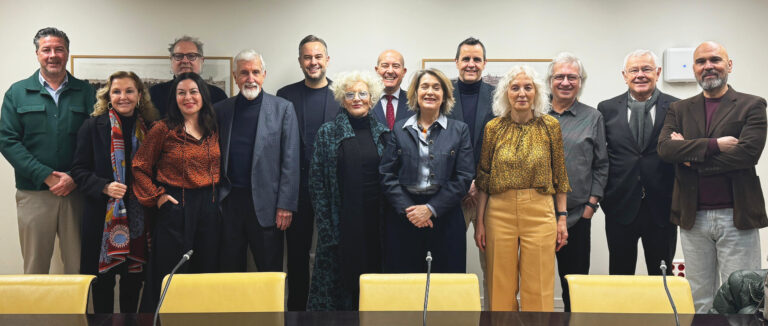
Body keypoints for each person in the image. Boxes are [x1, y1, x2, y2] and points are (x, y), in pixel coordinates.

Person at [658, 41, 768, 313]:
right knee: (699, 298)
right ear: (694, 69)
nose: (708, 66)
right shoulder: (679, 109)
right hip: (692, 216)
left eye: (715, 60)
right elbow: (665, 149)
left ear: (728, 65)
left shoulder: (752, 105)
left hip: (737, 214)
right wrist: (714, 145)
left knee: (743, 295)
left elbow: (746, 155)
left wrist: (689, 157)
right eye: (701, 61)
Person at [474, 65, 570, 312]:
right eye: (514, 88)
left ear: (537, 92)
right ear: (505, 93)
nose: (521, 93)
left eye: (528, 87)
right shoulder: (493, 128)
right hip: (498, 211)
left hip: (540, 211)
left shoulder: (550, 126)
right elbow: (484, 177)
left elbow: (560, 174)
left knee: (538, 284)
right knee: (499, 285)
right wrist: (481, 222)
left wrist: (562, 218)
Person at [0, 27, 95, 274]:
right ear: (37, 54)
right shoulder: (17, 92)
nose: (53, 55)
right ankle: (35, 316)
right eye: (47, 50)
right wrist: (45, 174)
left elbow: (98, 141)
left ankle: (80, 314)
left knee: (79, 267)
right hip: (34, 193)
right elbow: (7, 140)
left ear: (67, 53)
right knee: (35, 267)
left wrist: (75, 177)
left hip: (77, 192)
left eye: (59, 49)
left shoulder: (86, 92)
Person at [71, 71, 159, 313]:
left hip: (139, 218)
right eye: (116, 91)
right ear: (108, 95)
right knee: (103, 283)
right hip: (103, 218)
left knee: (133, 283)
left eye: (129, 91)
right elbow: (78, 170)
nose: (123, 96)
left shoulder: (151, 129)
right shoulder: (92, 126)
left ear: (139, 95)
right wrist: (104, 186)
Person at [132, 72, 221, 310]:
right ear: (175, 98)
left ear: (203, 95)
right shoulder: (162, 129)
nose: (188, 97)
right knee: (169, 274)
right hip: (175, 206)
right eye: (182, 93)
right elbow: (139, 167)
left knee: (206, 271)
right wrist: (157, 197)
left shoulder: (213, 127)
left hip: (210, 208)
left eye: (194, 91)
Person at [307, 71, 390, 311]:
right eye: (350, 94)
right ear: (342, 99)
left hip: (376, 223)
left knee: (373, 283)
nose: (357, 99)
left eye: (362, 93)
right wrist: (326, 227)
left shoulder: (384, 134)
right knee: (340, 287)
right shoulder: (327, 132)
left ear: (371, 98)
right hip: (340, 224)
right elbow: (316, 184)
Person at [379, 68, 474, 274]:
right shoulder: (399, 128)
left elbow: (464, 177)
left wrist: (430, 208)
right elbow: (387, 174)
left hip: (446, 216)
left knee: (446, 286)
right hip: (405, 217)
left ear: (445, 95)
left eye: (436, 87)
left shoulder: (459, 130)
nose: (430, 92)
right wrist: (410, 210)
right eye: (424, 87)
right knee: (405, 284)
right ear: (415, 94)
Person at [215, 50, 299, 273]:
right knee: (229, 271)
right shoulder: (221, 110)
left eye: (255, 72)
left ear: (264, 75)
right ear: (235, 77)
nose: (250, 78)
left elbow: (290, 160)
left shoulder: (283, 109)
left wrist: (286, 205)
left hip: (268, 206)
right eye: (244, 73)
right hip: (229, 203)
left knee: (269, 272)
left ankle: (270, 311)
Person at [597, 50, 679, 276]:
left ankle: (663, 313)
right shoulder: (606, 109)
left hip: (662, 208)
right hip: (620, 206)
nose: (640, 75)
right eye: (634, 70)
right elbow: (600, 157)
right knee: (620, 275)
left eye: (646, 69)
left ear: (658, 73)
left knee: (661, 276)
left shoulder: (677, 107)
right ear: (624, 75)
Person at [276, 35, 340, 311]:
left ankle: (330, 308)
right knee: (298, 255)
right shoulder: (285, 95)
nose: (313, 62)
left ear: (327, 59)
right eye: (307, 57)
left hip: (332, 190)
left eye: (318, 57)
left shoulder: (342, 95)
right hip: (297, 190)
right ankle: (297, 311)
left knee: (332, 252)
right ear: (300, 61)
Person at [545, 53, 608, 312]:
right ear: (550, 81)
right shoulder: (535, 114)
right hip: (536, 215)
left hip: (575, 216)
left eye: (572, 77)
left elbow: (602, 165)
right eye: (559, 76)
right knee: (536, 283)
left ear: (580, 82)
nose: (566, 82)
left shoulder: (593, 117)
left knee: (575, 284)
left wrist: (590, 206)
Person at [449, 37, 496, 308]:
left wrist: (479, 183)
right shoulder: (442, 93)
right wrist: (461, 183)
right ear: (456, 62)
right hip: (451, 194)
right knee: (450, 262)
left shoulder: (497, 97)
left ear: (484, 63)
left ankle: (493, 317)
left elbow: (502, 147)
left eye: (476, 59)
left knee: (492, 266)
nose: (471, 64)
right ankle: (451, 316)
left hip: (487, 194)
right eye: (465, 59)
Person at [149, 36, 228, 116]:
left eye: (191, 56)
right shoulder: (155, 93)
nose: (185, 61)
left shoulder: (218, 95)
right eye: (178, 56)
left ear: (201, 61)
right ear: (171, 60)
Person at [372, 49, 412, 129]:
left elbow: (424, 130)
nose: (390, 71)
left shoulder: (414, 101)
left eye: (395, 66)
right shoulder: (366, 101)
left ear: (403, 72)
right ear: (377, 70)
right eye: (385, 66)